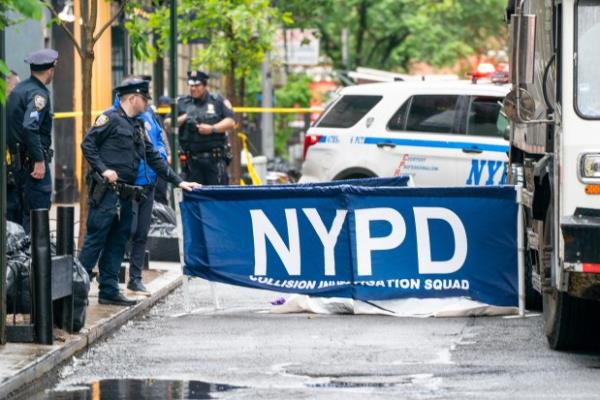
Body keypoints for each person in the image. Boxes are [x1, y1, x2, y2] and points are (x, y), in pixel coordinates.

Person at [79, 79, 201, 306]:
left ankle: (109, 289)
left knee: (118, 241)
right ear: (132, 98)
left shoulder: (135, 125)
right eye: (144, 99)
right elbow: (87, 144)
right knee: (95, 240)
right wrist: (104, 169)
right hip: (106, 193)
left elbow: (153, 157)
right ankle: (75, 291)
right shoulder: (110, 118)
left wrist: (178, 181)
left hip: (125, 193)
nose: (146, 103)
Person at [110, 76, 169, 294]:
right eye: (142, 97)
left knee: (142, 232)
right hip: (129, 184)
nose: (145, 101)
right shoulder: (118, 116)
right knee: (126, 231)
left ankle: (135, 277)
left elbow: (160, 140)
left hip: (149, 181)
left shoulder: (150, 114)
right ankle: (113, 277)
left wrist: (162, 154)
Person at [6, 49, 58, 232]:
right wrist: (39, 160)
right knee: (37, 216)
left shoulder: (19, 90)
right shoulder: (39, 94)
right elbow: (30, 126)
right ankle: (34, 260)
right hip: (32, 168)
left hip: (17, 165)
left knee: (19, 218)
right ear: (50, 71)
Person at [169, 70, 235, 185]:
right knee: (194, 198)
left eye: (197, 85)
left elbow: (230, 121)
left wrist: (212, 128)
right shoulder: (183, 102)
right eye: (191, 85)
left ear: (205, 85)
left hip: (215, 161)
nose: (193, 88)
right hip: (192, 163)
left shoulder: (217, 101)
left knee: (217, 197)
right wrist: (184, 117)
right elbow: (168, 122)